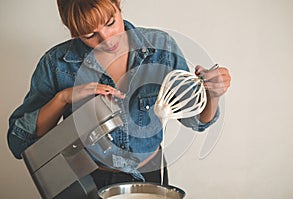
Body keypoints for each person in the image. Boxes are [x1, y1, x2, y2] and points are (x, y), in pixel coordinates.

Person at [7, 0, 231, 190]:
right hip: (88, 182)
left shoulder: (161, 47)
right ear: (72, 30)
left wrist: (213, 95)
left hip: (150, 176)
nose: (106, 39)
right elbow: (20, 144)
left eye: (111, 22)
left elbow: (195, 120)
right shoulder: (56, 64)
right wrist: (63, 98)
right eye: (90, 34)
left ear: (118, 5)